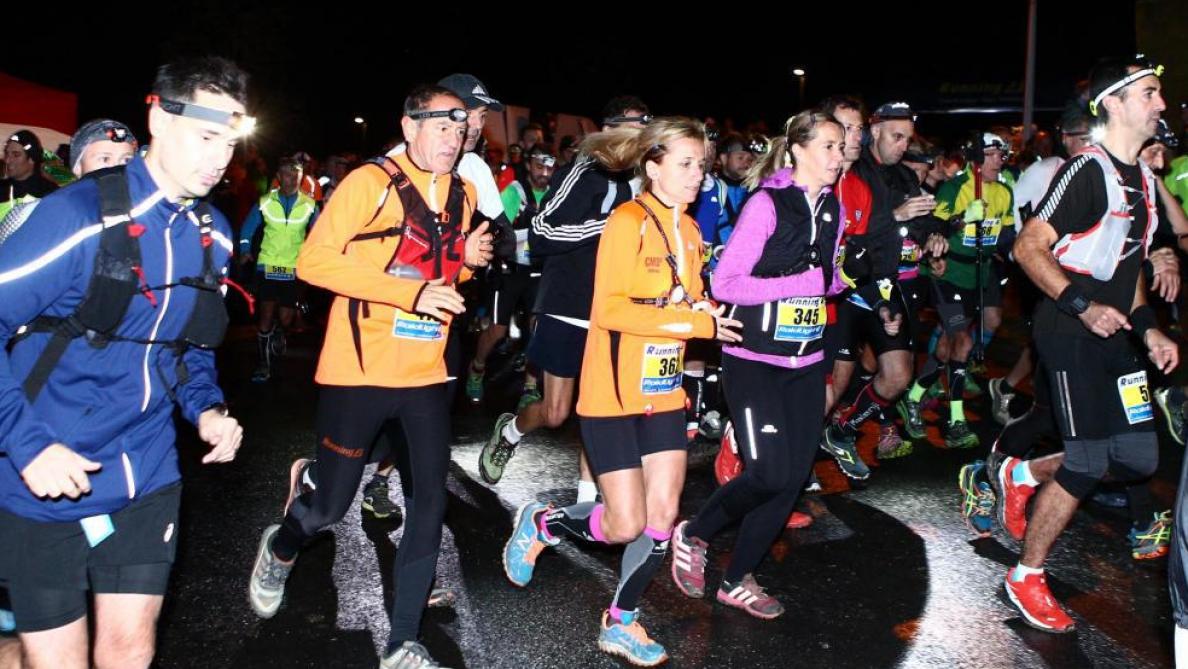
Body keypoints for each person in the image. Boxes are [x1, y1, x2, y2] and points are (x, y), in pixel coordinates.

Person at [0, 55, 247, 669]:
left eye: (231, 141)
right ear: (159, 118)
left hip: (145, 471)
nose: (220, 158)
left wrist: (206, 409)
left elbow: (187, 348)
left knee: (128, 652)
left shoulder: (214, 234)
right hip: (44, 476)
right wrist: (28, 445)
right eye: (207, 136)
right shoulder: (75, 217)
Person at [247, 84, 492, 668]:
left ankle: (402, 640)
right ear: (409, 127)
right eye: (440, 127)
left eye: (460, 131)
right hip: (359, 368)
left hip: (427, 373)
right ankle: (282, 546)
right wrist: (411, 292)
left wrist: (465, 263)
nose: (452, 140)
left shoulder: (464, 192)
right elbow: (314, 261)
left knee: (429, 502)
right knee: (331, 506)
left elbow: (437, 272)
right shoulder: (368, 183)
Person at [502, 117, 740, 666]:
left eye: (700, 165)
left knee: (660, 520)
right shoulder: (626, 221)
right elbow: (607, 309)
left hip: (662, 392)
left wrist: (702, 308)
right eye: (684, 164)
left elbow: (683, 300)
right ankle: (544, 521)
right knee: (624, 524)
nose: (696, 175)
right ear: (652, 167)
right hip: (612, 394)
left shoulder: (691, 233)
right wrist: (692, 325)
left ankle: (621, 621)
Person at [1006, 55, 1176, 633]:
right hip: (1069, 329)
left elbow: (1124, 275)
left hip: (1117, 332)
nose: (1160, 103)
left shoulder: (1146, 182)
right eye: (1150, 93)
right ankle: (1026, 576)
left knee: (1136, 458)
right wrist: (1080, 304)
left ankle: (1024, 475)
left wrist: (1150, 328)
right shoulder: (1086, 172)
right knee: (1086, 461)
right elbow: (1028, 248)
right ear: (1117, 103)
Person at [670, 110, 847, 619]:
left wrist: (842, 275)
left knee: (790, 481)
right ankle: (695, 532)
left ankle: (736, 578)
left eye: (841, 147)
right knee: (768, 473)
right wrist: (807, 284)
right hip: (755, 360)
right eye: (830, 147)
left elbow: (826, 281)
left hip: (806, 360)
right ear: (798, 151)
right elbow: (726, 285)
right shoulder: (767, 204)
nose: (839, 156)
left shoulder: (831, 207)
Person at [478, 96, 650, 499]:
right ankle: (511, 430)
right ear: (608, 130)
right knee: (556, 413)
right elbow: (542, 232)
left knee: (602, 407)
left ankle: (587, 503)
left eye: (647, 125)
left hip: (617, 305)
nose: (642, 134)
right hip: (570, 301)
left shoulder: (649, 176)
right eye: (634, 125)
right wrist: (610, 226)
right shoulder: (583, 170)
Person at [465, 145, 556, 405]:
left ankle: (530, 384)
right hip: (509, 269)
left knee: (536, 329)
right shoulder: (515, 192)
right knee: (497, 330)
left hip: (538, 270)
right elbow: (496, 225)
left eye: (549, 167)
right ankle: (477, 367)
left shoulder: (555, 194)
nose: (545, 173)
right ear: (529, 166)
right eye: (540, 166)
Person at [238, 156, 319, 382]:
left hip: (293, 267)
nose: (291, 179)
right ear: (278, 177)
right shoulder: (264, 201)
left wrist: (317, 258)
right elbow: (247, 230)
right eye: (286, 174)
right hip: (268, 264)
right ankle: (263, 364)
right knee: (265, 315)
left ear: (301, 178)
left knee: (285, 318)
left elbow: (321, 235)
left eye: (296, 176)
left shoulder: (310, 205)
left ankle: (279, 331)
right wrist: (245, 250)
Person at [68, 119, 139, 178]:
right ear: (77, 167)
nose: (117, 169)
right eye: (105, 159)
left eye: (126, 160)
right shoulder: (62, 195)